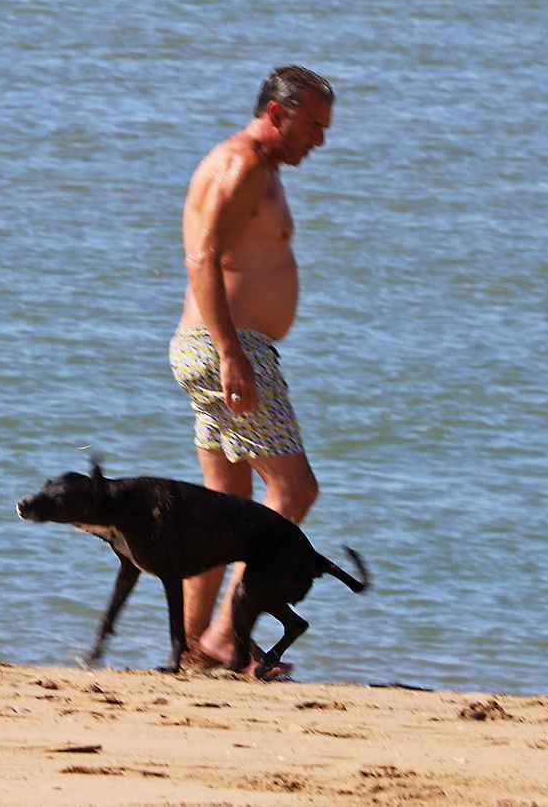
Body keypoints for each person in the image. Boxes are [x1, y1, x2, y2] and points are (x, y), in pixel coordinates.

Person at [169, 64, 335, 670]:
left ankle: (193, 648)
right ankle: (223, 638)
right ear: (275, 114)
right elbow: (202, 258)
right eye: (311, 125)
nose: (319, 139)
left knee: (225, 502)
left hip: (219, 345)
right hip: (227, 347)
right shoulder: (240, 165)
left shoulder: (258, 169)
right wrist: (233, 353)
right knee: (293, 488)